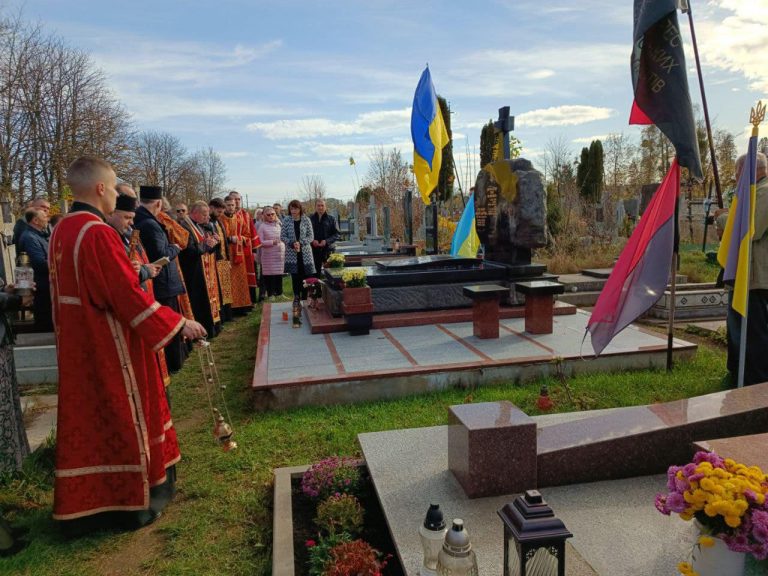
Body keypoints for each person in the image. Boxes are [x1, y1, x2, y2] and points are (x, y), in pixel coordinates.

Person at [49, 156, 206, 535]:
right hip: (111, 345)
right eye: (115, 184)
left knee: (92, 419)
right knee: (125, 415)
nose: (117, 196)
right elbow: (125, 295)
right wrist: (179, 323)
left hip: (78, 344)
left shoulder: (62, 229)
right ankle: (133, 501)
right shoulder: (97, 233)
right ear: (101, 187)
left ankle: (90, 505)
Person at [134, 186, 189, 373]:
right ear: (158, 203)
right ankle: (174, 363)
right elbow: (160, 254)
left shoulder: (140, 219)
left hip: (155, 280)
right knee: (169, 323)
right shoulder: (150, 224)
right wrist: (175, 248)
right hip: (164, 282)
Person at [726, 151, 768, 386]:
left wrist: (723, 219)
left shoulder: (764, 192)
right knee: (741, 330)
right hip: (746, 273)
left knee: (753, 333)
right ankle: (738, 375)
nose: (735, 178)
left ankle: (756, 383)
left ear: (746, 170)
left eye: (736, 172)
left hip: (756, 277)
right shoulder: (755, 191)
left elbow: (752, 229)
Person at [182, 202, 221, 336]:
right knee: (199, 301)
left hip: (205, 270)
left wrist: (214, 242)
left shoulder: (202, 226)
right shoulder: (185, 226)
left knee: (206, 300)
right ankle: (203, 330)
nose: (208, 217)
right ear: (195, 213)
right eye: (204, 214)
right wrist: (206, 245)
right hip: (193, 271)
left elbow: (206, 246)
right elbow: (189, 250)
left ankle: (212, 328)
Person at [18, 207, 53, 332]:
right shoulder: (30, 238)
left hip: (44, 284)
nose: (47, 219)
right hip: (40, 286)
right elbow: (39, 263)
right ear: (35, 221)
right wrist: (58, 264)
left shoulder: (38, 235)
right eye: (44, 217)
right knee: (45, 321)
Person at [219, 196, 253, 313]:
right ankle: (229, 310)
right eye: (228, 205)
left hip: (238, 254)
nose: (230, 207)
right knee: (226, 280)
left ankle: (242, 306)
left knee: (240, 280)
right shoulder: (220, 219)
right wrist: (229, 239)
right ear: (224, 205)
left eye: (232, 205)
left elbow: (247, 235)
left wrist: (239, 238)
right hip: (225, 253)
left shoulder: (240, 218)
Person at [281, 199, 315, 301]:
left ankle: (305, 297)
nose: (293, 211)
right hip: (292, 252)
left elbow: (311, 236)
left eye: (295, 209)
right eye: (291, 209)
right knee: (295, 277)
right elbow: (283, 236)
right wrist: (292, 243)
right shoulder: (286, 220)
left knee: (306, 276)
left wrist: (301, 243)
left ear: (300, 209)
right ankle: (296, 297)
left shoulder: (306, 220)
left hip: (305, 253)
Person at [228, 191, 261, 301]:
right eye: (234, 199)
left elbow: (252, 232)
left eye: (238, 199)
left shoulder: (245, 214)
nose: (237, 201)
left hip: (245, 249)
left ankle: (249, 301)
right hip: (231, 250)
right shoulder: (225, 215)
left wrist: (254, 251)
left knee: (248, 275)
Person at [208, 198, 233, 323]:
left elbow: (224, 241)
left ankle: (228, 316)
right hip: (214, 261)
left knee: (226, 289)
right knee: (218, 291)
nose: (220, 214)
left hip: (223, 260)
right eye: (218, 212)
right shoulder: (207, 223)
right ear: (211, 208)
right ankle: (221, 317)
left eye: (222, 212)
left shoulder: (218, 221)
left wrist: (227, 258)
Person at [258, 207, 285, 298]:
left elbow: (283, 237)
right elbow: (259, 242)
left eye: (272, 214)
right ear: (264, 216)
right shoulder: (262, 227)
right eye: (268, 215)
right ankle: (271, 294)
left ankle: (280, 293)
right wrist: (272, 242)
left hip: (279, 255)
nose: (271, 216)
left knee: (279, 274)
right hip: (268, 256)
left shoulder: (279, 224)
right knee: (270, 275)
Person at [310, 198, 340, 274]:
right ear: (315, 207)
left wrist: (326, 241)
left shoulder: (332, 219)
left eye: (322, 205)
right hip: (314, 251)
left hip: (328, 250)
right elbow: (305, 233)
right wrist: (312, 240)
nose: (320, 207)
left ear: (325, 207)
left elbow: (337, 234)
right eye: (318, 205)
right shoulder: (309, 219)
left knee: (330, 274)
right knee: (315, 274)